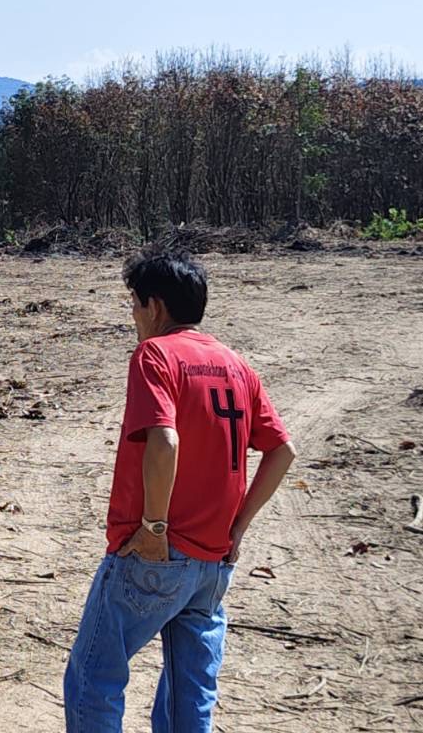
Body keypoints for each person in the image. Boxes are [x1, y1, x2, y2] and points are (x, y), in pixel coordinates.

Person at [64, 246, 297, 732]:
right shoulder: (236, 365)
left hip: (155, 556)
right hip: (213, 563)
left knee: (94, 676)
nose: (133, 316)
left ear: (155, 306)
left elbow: (165, 440)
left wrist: (154, 528)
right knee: (190, 693)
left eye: (134, 304)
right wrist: (238, 529)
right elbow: (282, 451)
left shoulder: (155, 355)